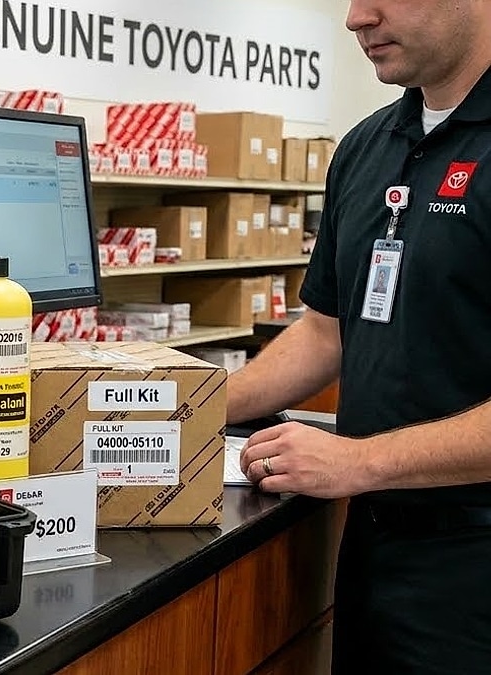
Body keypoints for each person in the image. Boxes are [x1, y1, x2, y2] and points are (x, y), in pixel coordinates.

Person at [226, 0, 491, 672]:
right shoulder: (369, 145)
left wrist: (358, 460)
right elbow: (324, 329)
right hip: (373, 552)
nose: (355, 17)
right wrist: (191, 407)